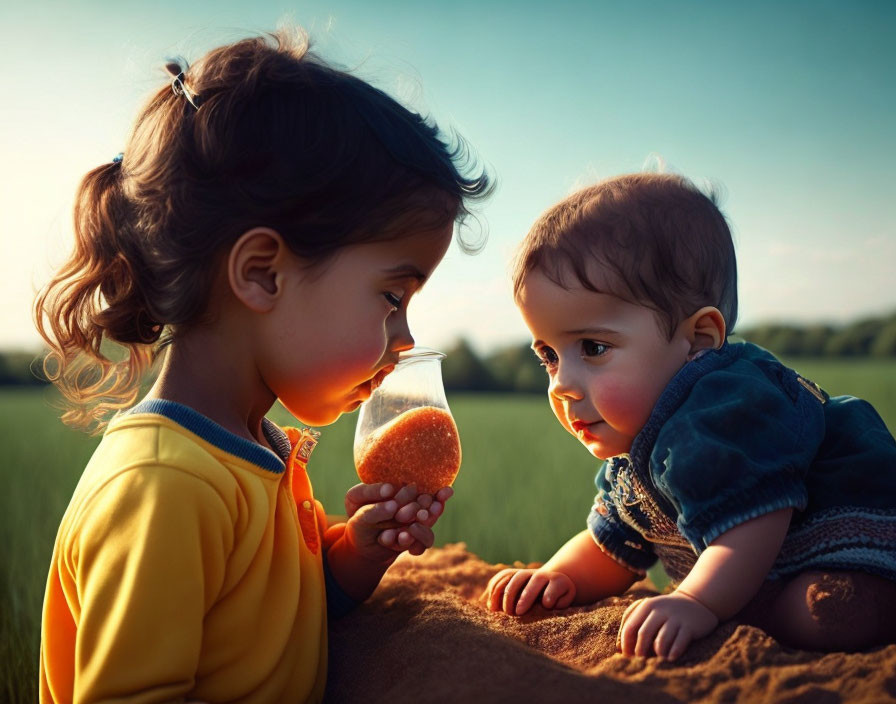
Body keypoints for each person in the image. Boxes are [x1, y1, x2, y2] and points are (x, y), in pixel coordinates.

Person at [35, 29, 490, 702]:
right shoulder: (165, 486)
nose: (403, 337)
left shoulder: (252, 450)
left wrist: (354, 558)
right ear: (261, 274)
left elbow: (272, 626)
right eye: (392, 297)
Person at [485, 172, 896, 661]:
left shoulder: (727, 407)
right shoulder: (636, 449)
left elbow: (754, 519)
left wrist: (696, 599)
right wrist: (558, 575)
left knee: (828, 612)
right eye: (549, 356)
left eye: (592, 347)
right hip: (771, 573)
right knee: (794, 609)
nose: (561, 383)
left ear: (699, 339)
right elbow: (614, 543)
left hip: (853, 541)